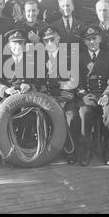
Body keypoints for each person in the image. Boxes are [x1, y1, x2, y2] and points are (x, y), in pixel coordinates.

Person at [37, 26, 82, 164]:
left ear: (58, 38)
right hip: (48, 99)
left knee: (72, 117)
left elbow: (74, 80)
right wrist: (48, 98)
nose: (50, 43)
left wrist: (62, 99)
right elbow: (39, 82)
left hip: (66, 98)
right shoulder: (40, 57)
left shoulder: (69, 55)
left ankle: (70, 150)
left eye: (52, 39)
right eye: (46, 41)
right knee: (41, 116)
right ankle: (48, 152)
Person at [77, 25, 109, 165]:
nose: (92, 42)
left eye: (94, 38)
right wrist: (83, 95)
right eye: (88, 39)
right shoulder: (80, 58)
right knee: (84, 112)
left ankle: (108, 152)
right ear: (84, 42)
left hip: (104, 96)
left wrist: (107, 95)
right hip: (88, 96)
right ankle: (86, 152)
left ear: (100, 39)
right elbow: (76, 81)